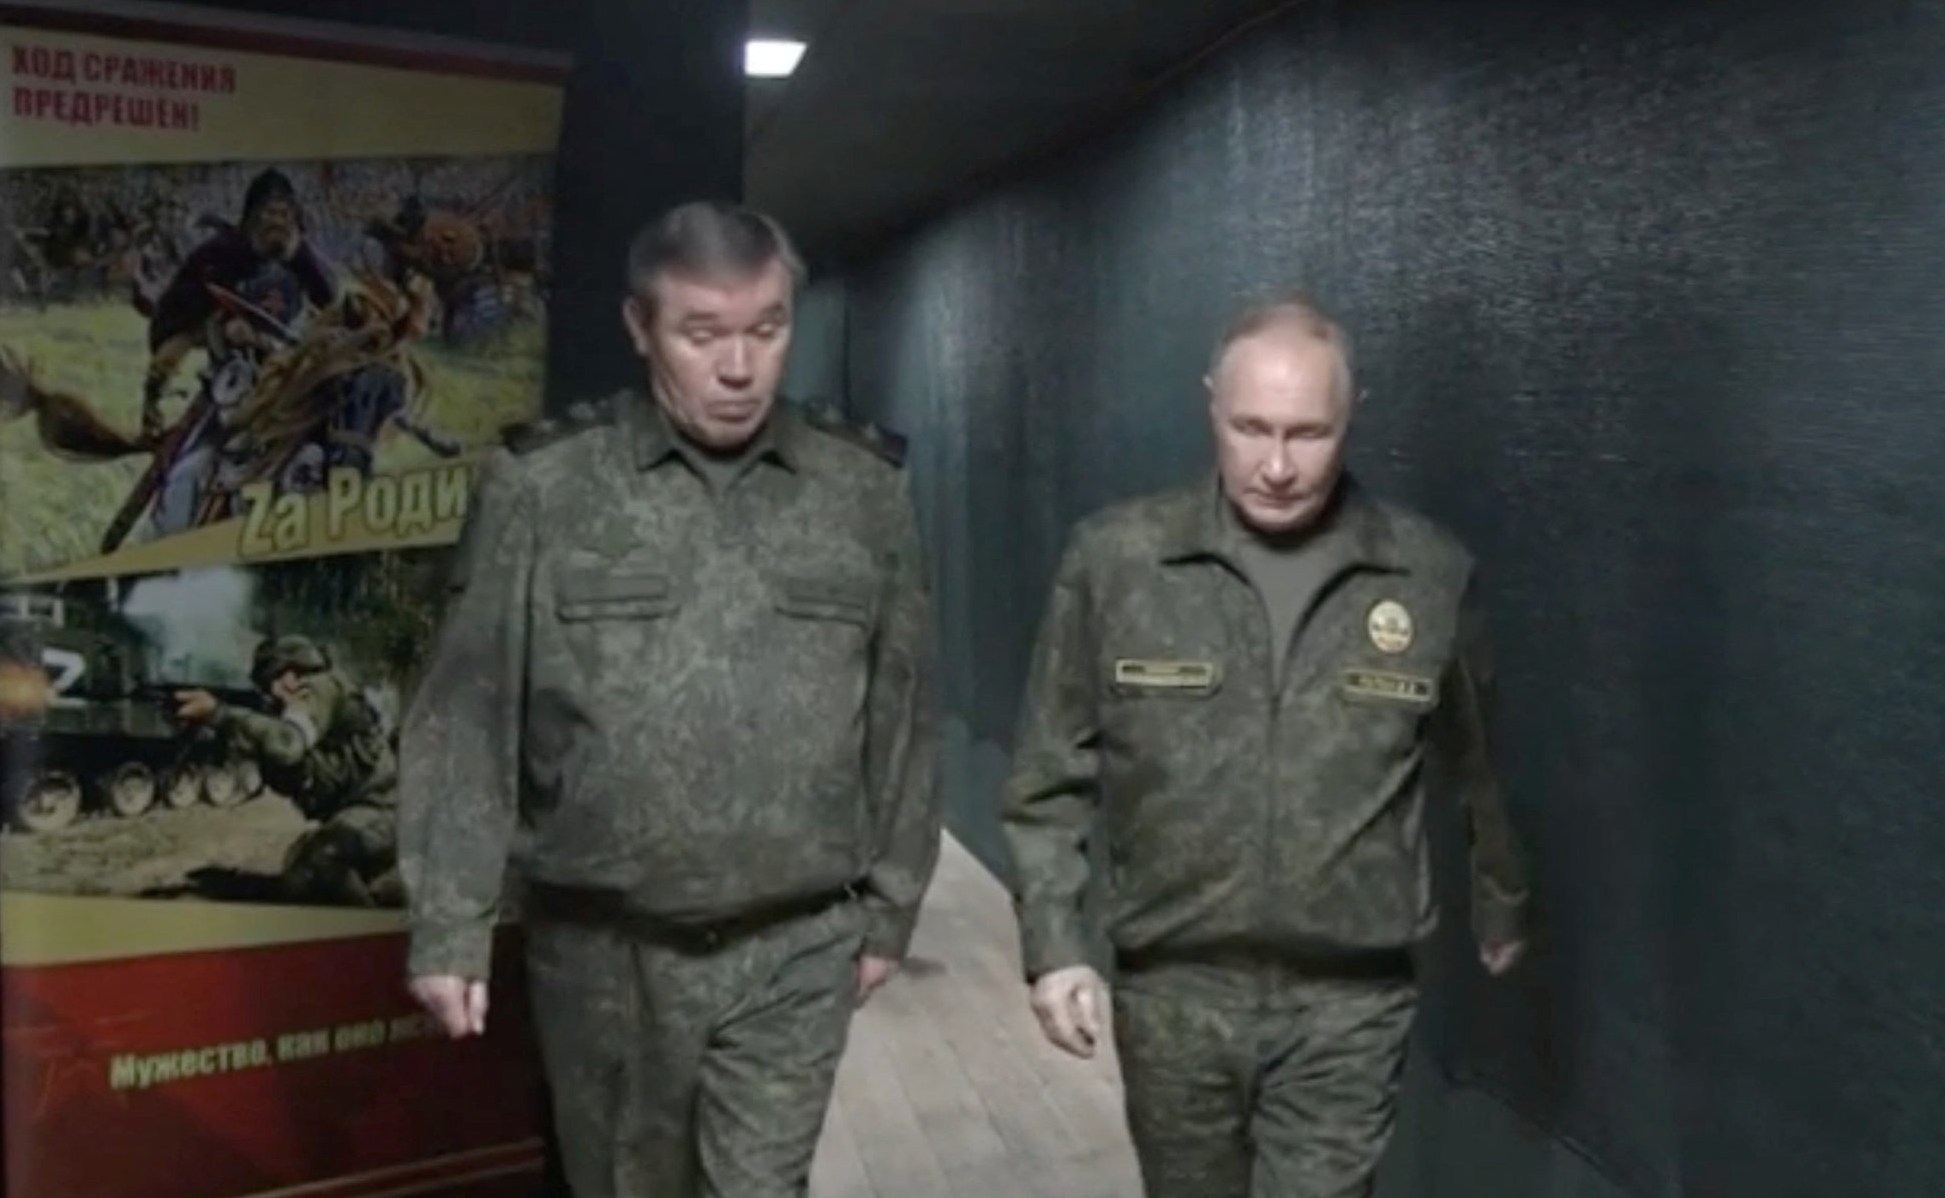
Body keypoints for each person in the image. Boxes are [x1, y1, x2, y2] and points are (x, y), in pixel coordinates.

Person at [396, 200, 941, 1197]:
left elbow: (902, 708)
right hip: (604, 956)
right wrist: (449, 924)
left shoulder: (861, 491)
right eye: (703, 334)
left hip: (794, 945)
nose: (739, 368)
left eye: (766, 329)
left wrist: (891, 909)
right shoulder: (547, 488)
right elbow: (470, 716)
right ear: (641, 328)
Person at [999, 294, 1532, 1197]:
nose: (1278, 465)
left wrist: (1502, 900)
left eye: (1307, 433)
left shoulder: (1426, 574)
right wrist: (1054, 944)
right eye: (1251, 428)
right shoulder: (1118, 562)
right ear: (1211, 405)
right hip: (1172, 991)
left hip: (1349, 1000)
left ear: (1350, 417)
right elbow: (1048, 774)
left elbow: (1480, 764)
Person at [171, 633, 400, 906]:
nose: (272, 693)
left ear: (291, 674)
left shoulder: (319, 688)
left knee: (319, 861)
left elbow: (287, 745)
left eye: (271, 682)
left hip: (384, 812)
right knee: (296, 880)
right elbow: (282, 767)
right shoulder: (303, 702)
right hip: (363, 816)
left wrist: (219, 713)